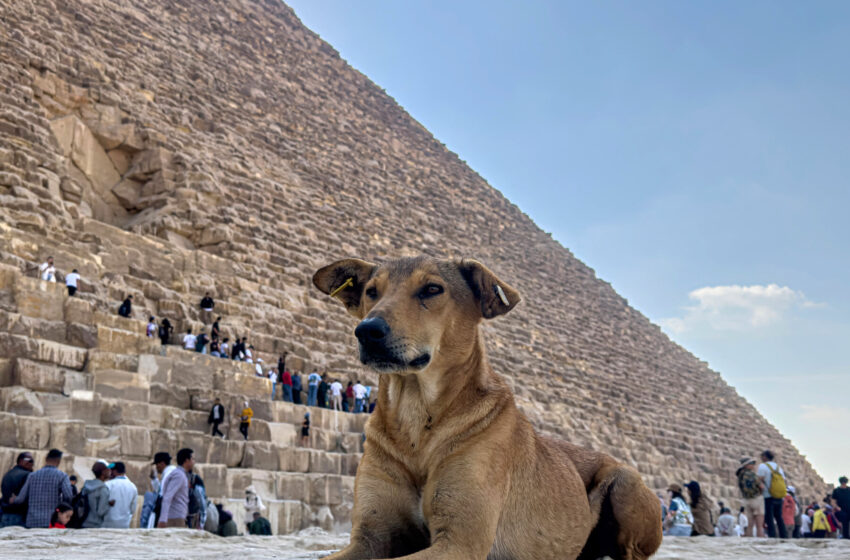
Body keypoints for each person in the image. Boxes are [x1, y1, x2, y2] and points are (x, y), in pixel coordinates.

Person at [11, 448, 73, 528]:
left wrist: (13, 499)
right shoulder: (62, 476)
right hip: (51, 522)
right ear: (59, 461)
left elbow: (21, 499)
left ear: (46, 459)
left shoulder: (32, 476)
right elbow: (68, 496)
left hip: (32, 521)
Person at [158, 448, 193, 528]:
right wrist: (163, 519)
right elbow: (167, 496)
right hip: (175, 518)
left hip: (177, 516)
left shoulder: (180, 474)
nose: (194, 462)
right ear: (187, 460)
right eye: (192, 459)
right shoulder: (179, 475)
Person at [757, 450, 788, 538]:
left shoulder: (763, 466)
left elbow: (759, 480)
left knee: (769, 518)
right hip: (779, 495)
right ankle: (784, 536)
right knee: (779, 517)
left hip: (768, 495)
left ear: (765, 457)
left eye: (761, 457)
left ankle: (772, 536)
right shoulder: (778, 467)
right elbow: (784, 480)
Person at [0, 451, 34, 528]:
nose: (31, 463)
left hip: (5, 514)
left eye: (32, 461)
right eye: (29, 460)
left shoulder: (8, 473)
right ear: (21, 461)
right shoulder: (27, 475)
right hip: (19, 516)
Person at [102, 462, 137, 528]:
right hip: (124, 525)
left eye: (110, 471)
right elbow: (133, 510)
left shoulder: (108, 485)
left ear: (114, 471)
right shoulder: (133, 487)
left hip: (107, 524)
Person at [736, 457, 764, 537]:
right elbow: (761, 487)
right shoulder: (751, 474)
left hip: (746, 500)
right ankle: (760, 542)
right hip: (756, 499)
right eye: (752, 463)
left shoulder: (740, 475)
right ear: (747, 465)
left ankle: (749, 541)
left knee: (750, 525)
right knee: (759, 526)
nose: (754, 465)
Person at [81, 461, 112, 528]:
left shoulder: (86, 486)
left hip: (83, 522)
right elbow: (101, 512)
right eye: (108, 469)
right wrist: (109, 505)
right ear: (103, 472)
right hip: (94, 525)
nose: (110, 471)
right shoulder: (103, 489)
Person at [832, 475, 850, 539]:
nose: (843, 484)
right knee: (845, 523)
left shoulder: (849, 490)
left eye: (844, 482)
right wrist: (836, 507)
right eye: (842, 482)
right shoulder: (836, 490)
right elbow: (833, 501)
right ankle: (846, 537)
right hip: (841, 510)